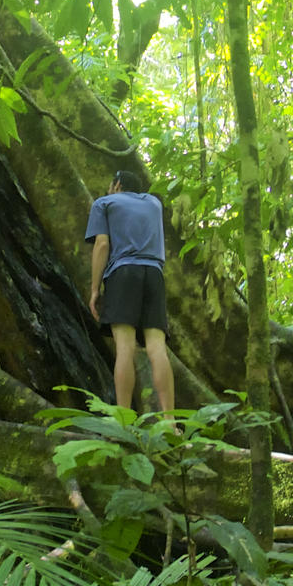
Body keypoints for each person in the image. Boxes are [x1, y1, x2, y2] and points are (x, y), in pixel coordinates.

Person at [84, 167, 175, 417]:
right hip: (154, 275)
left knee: (125, 347)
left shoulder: (104, 203)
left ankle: (123, 419)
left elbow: (102, 245)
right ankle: (170, 421)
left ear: (116, 185)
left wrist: (95, 289)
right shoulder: (154, 204)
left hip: (123, 274)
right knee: (157, 347)